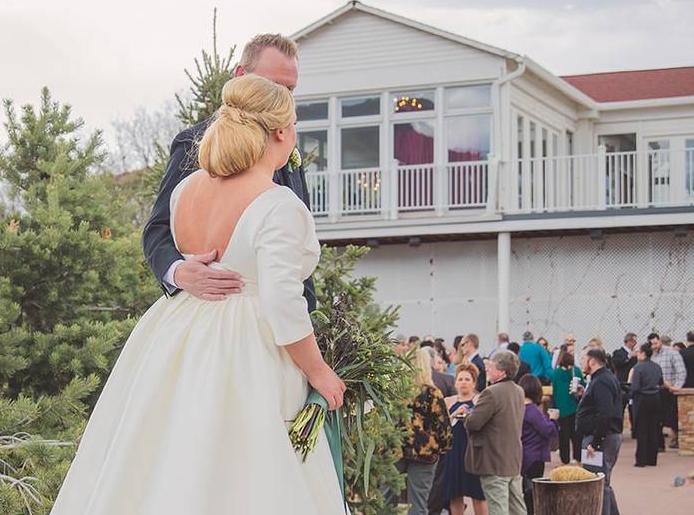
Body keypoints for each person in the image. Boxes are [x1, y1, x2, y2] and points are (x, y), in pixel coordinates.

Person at [51, 74, 347, 514]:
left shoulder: (188, 190)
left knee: (162, 457)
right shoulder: (279, 204)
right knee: (247, 472)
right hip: (247, 349)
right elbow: (284, 305)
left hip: (176, 336)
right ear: (282, 131)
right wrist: (322, 374)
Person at [143, 33, 309, 305]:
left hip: (285, 314)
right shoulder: (196, 143)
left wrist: (310, 319)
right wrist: (179, 272)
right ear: (240, 75)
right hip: (220, 313)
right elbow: (158, 227)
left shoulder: (288, 150)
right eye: (273, 84)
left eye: (290, 90)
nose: (283, 98)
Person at [464, 351, 526, 515]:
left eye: (491, 367)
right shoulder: (519, 390)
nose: (488, 370)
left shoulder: (491, 392)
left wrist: (468, 414)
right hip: (512, 460)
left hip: (493, 460)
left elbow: (473, 423)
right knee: (517, 508)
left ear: (502, 371)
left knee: (498, 509)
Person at [401, 348, 453, 515]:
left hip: (396, 449)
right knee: (418, 504)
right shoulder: (432, 393)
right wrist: (442, 449)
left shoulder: (396, 391)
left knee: (388, 499)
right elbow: (444, 428)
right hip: (424, 452)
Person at [576, 348, 623, 515]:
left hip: (601, 440)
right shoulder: (600, 379)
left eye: (582, 358)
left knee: (596, 484)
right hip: (602, 437)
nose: (580, 362)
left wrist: (595, 442)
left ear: (592, 361)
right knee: (603, 483)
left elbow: (605, 414)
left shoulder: (602, 380)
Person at [443, 363, 488, 515]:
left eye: (467, 379)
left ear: (474, 382)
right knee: (454, 494)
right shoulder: (448, 401)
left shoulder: (480, 399)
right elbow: (440, 424)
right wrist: (454, 414)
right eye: (460, 379)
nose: (463, 382)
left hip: (473, 450)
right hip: (453, 451)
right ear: (455, 382)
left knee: (478, 494)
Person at [518, 374, 559, 513]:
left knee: (525, 491)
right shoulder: (533, 410)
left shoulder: (519, 408)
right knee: (533, 493)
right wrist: (553, 420)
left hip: (523, 454)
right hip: (534, 456)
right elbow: (547, 430)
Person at [649, 332, 687, 449]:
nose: (654, 346)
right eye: (652, 344)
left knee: (671, 416)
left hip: (669, 390)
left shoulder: (672, 353)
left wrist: (677, 387)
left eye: (655, 343)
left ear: (659, 341)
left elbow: (680, 371)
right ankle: (659, 444)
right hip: (655, 390)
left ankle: (676, 439)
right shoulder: (651, 355)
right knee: (656, 418)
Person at [629, 342, 663, 467]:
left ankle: (641, 460)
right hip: (655, 398)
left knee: (642, 430)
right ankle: (652, 459)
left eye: (638, 352)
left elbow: (636, 387)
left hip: (642, 399)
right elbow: (660, 381)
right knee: (653, 428)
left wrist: (629, 393)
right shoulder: (656, 366)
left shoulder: (638, 367)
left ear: (643, 353)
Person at [551, 350, 584, 464]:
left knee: (563, 436)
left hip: (561, 408)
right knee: (576, 435)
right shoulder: (577, 371)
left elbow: (554, 390)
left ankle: (564, 459)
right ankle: (578, 457)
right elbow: (583, 386)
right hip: (575, 407)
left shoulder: (556, 373)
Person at [611, 333, 638, 437]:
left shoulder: (636, 354)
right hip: (622, 384)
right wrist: (628, 357)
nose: (635, 344)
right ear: (629, 341)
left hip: (632, 384)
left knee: (633, 408)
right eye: (634, 341)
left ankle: (635, 431)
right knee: (620, 408)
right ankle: (618, 430)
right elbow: (616, 364)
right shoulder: (618, 352)